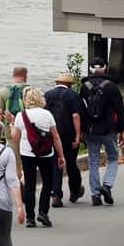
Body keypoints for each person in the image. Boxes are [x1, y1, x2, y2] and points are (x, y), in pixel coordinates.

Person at [11, 87, 65, 228]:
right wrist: (61, 155)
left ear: (26, 100)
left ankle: (30, 217)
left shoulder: (20, 116)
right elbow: (56, 136)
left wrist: (12, 124)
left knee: (30, 183)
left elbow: (15, 138)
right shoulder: (47, 114)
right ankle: (43, 212)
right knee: (47, 182)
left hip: (27, 153)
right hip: (46, 153)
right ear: (40, 99)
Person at [80, 59, 124, 206]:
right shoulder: (112, 86)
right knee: (113, 158)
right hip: (109, 129)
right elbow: (120, 109)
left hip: (91, 130)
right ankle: (107, 185)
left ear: (90, 69)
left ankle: (95, 195)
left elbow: (81, 110)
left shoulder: (84, 87)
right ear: (105, 68)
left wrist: (82, 130)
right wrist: (123, 129)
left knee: (93, 161)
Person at [45, 73, 85, 206]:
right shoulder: (73, 96)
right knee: (71, 163)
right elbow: (76, 116)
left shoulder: (47, 95)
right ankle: (75, 190)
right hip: (69, 135)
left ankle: (56, 194)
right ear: (70, 84)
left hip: (52, 135)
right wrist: (78, 136)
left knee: (56, 163)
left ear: (57, 83)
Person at [0, 65, 31, 148]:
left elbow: (0, 113)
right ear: (25, 76)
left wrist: (1, 134)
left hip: (9, 128)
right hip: (26, 129)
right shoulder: (30, 91)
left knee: (12, 152)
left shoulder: (4, 91)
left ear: (13, 75)